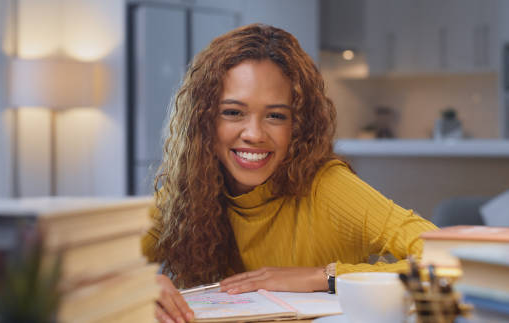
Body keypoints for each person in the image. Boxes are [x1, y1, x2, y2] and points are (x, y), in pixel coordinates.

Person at [141, 23, 438, 323]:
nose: (254, 134)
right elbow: (99, 263)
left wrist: (321, 277)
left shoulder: (328, 187)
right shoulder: (189, 190)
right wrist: (141, 284)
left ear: (298, 124)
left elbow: (449, 261)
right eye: (233, 112)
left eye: (275, 116)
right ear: (203, 121)